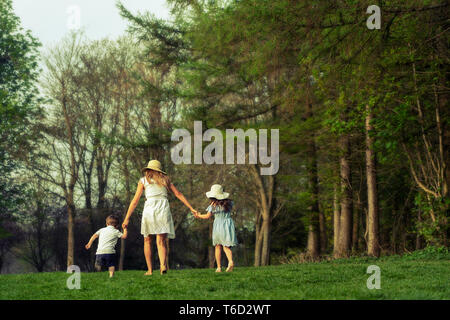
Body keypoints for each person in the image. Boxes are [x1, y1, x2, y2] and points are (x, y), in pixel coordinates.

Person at [122, 160, 198, 275]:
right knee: (161, 240)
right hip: (163, 208)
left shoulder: (143, 181)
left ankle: (150, 270)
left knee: (147, 240)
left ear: (148, 170)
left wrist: (127, 217)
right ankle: (162, 265)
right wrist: (191, 208)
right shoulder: (165, 180)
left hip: (150, 208)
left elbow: (135, 201)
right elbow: (178, 194)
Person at [195, 184, 237, 272]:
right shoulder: (229, 203)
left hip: (218, 225)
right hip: (228, 223)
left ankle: (218, 267)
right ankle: (230, 261)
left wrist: (198, 215)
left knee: (218, 246)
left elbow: (207, 216)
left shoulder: (213, 206)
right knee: (226, 246)